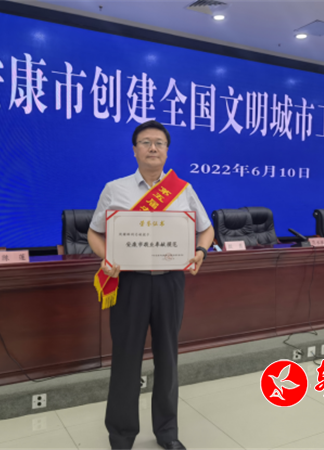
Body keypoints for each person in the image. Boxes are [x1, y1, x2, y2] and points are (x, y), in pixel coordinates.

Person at [88, 120, 215, 450]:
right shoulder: (115, 189)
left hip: (170, 282)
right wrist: (107, 257)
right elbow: (94, 232)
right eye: (145, 142)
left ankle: (167, 432)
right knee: (126, 359)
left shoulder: (182, 189)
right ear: (134, 150)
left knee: (167, 358)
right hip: (129, 282)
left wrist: (201, 251)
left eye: (159, 142)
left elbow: (206, 229)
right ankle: (121, 436)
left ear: (167, 150)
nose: (153, 148)